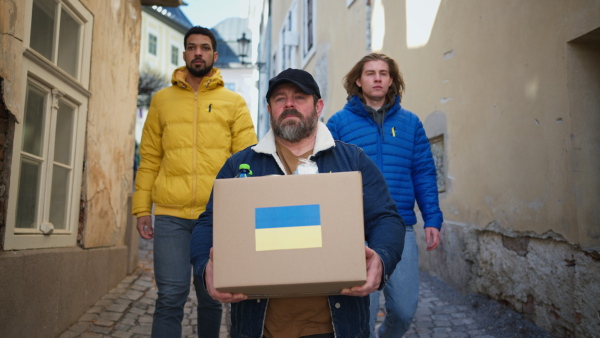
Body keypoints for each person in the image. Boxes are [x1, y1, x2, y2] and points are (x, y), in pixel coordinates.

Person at [190, 68, 406, 338]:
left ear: (318, 106)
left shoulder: (352, 161)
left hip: (338, 326)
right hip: (260, 327)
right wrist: (204, 267)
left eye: (299, 97)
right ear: (269, 109)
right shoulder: (240, 165)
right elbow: (208, 223)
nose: (289, 104)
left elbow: (386, 218)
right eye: (280, 99)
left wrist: (382, 258)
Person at [132, 26, 258, 338]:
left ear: (214, 56)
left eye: (204, 47)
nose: (197, 52)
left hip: (216, 217)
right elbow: (149, 158)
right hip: (171, 215)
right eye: (191, 47)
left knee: (211, 297)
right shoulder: (162, 101)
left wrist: (244, 211)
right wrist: (141, 209)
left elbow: (247, 161)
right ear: (184, 53)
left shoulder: (234, 103)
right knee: (170, 297)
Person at [326, 52, 443, 338]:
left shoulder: (411, 123)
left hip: (399, 225)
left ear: (391, 81)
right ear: (358, 80)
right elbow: (324, 175)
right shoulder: (338, 124)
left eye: (383, 73)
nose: (377, 78)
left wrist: (432, 218)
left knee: (404, 310)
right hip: (355, 230)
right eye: (370, 73)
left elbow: (424, 173)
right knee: (362, 313)